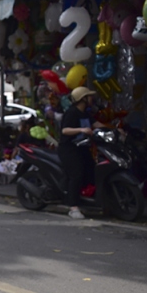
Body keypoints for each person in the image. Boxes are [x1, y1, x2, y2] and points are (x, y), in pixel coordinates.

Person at [59, 86, 98, 219]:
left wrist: (115, 129)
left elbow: (96, 124)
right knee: (76, 174)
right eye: (89, 96)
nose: (92, 99)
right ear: (83, 99)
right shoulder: (71, 113)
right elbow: (65, 130)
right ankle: (73, 207)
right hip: (69, 149)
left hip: (82, 148)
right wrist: (81, 130)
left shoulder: (85, 113)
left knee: (93, 169)